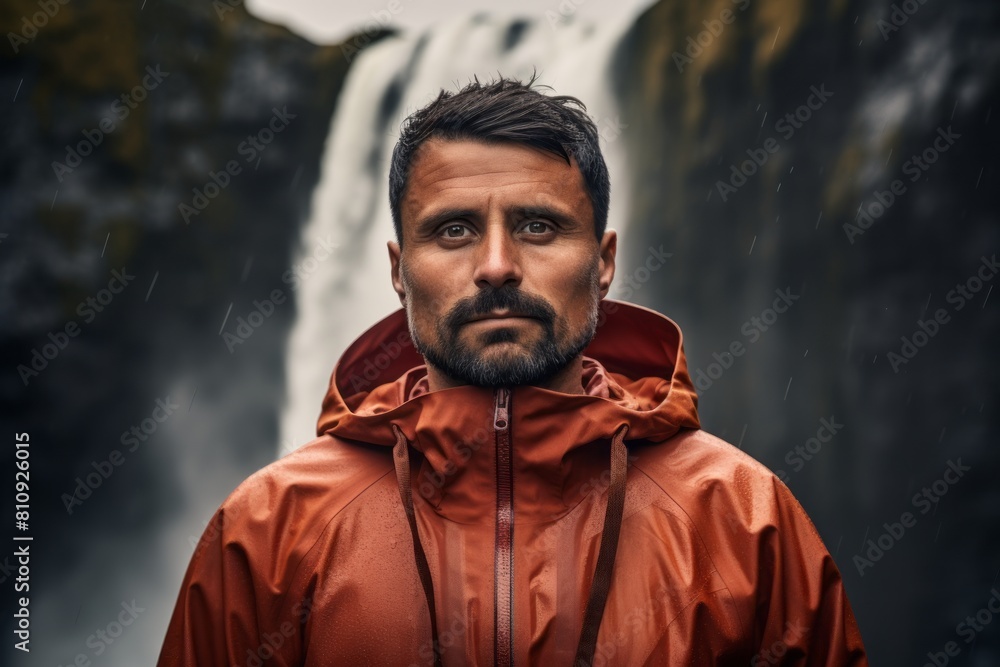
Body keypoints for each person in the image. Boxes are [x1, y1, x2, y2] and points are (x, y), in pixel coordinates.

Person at [157, 74, 868, 666]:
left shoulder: (742, 519)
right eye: (454, 229)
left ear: (606, 260)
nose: (496, 265)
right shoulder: (268, 528)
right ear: (399, 270)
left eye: (538, 226)